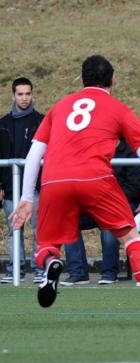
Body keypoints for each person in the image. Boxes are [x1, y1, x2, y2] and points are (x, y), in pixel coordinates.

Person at [9, 55, 140, 326]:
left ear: (82, 80)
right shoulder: (119, 109)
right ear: (113, 79)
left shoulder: (59, 108)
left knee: (46, 244)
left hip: (55, 180)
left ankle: (50, 264)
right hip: (97, 179)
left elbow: (34, 154)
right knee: (131, 239)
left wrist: (25, 197)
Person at [61, 137, 140, 285]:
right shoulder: (94, 150)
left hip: (123, 203)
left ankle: (109, 272)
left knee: (110, 221)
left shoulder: (131, 152)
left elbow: (135, 188)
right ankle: (78, 272)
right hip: (96, 201)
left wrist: (108, 198)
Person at [0, 77, 45, 284]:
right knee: (14, 230)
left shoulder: (42, 121)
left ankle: (39, 268)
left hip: (35, 186)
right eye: (20, 94)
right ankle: (14, 269)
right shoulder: (3, 124)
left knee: (38, 230)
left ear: (32, 94)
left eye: (28, 93)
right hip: (10, 188)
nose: (24, 98)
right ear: (13, 95)